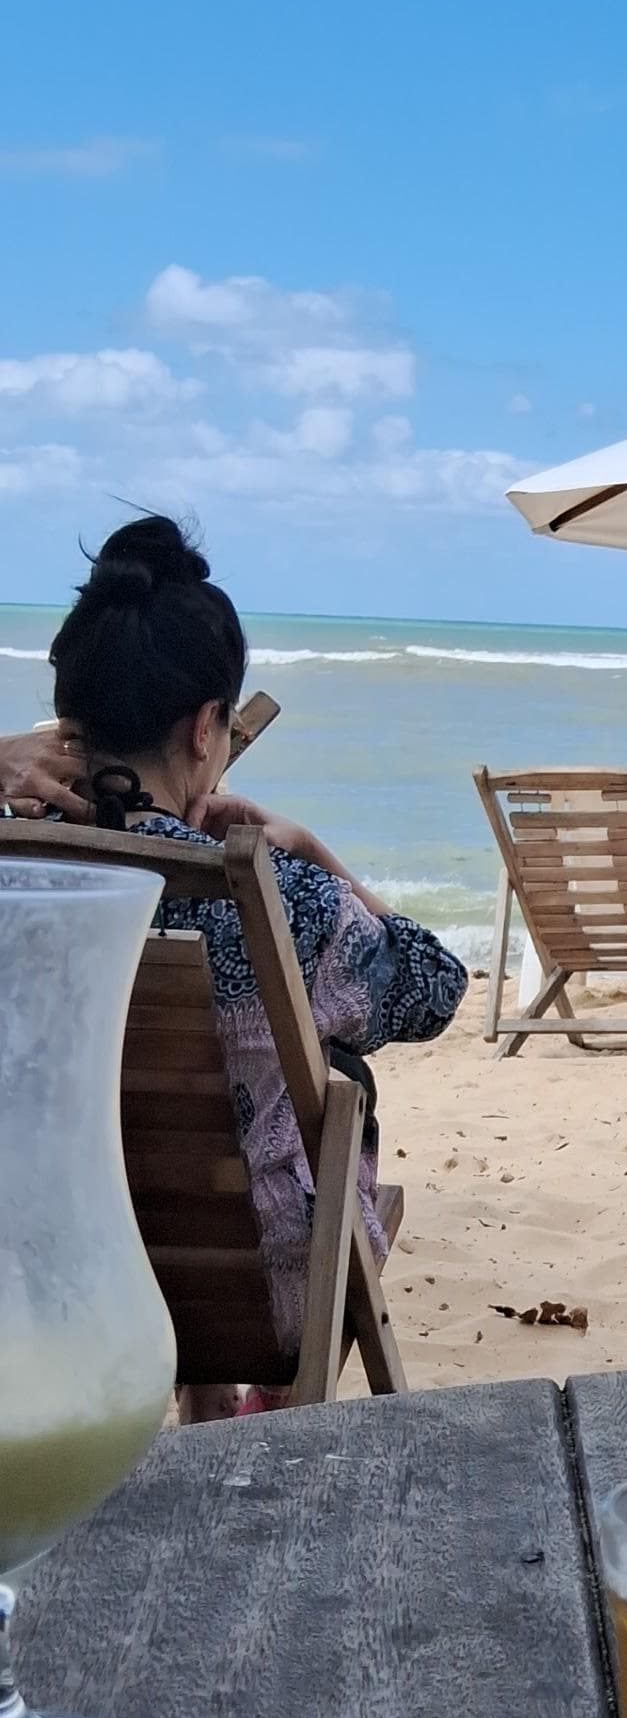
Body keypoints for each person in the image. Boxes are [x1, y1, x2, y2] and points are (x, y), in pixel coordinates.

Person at [47, 515, 468, 1410]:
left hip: (59, 1282)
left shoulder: (25, 878)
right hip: (253, 1294)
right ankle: (259, 1412)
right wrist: (314, 852)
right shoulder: (280, 898)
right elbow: (436, 985)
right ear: (207, 729)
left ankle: (203, 1412)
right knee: (338, 1083)